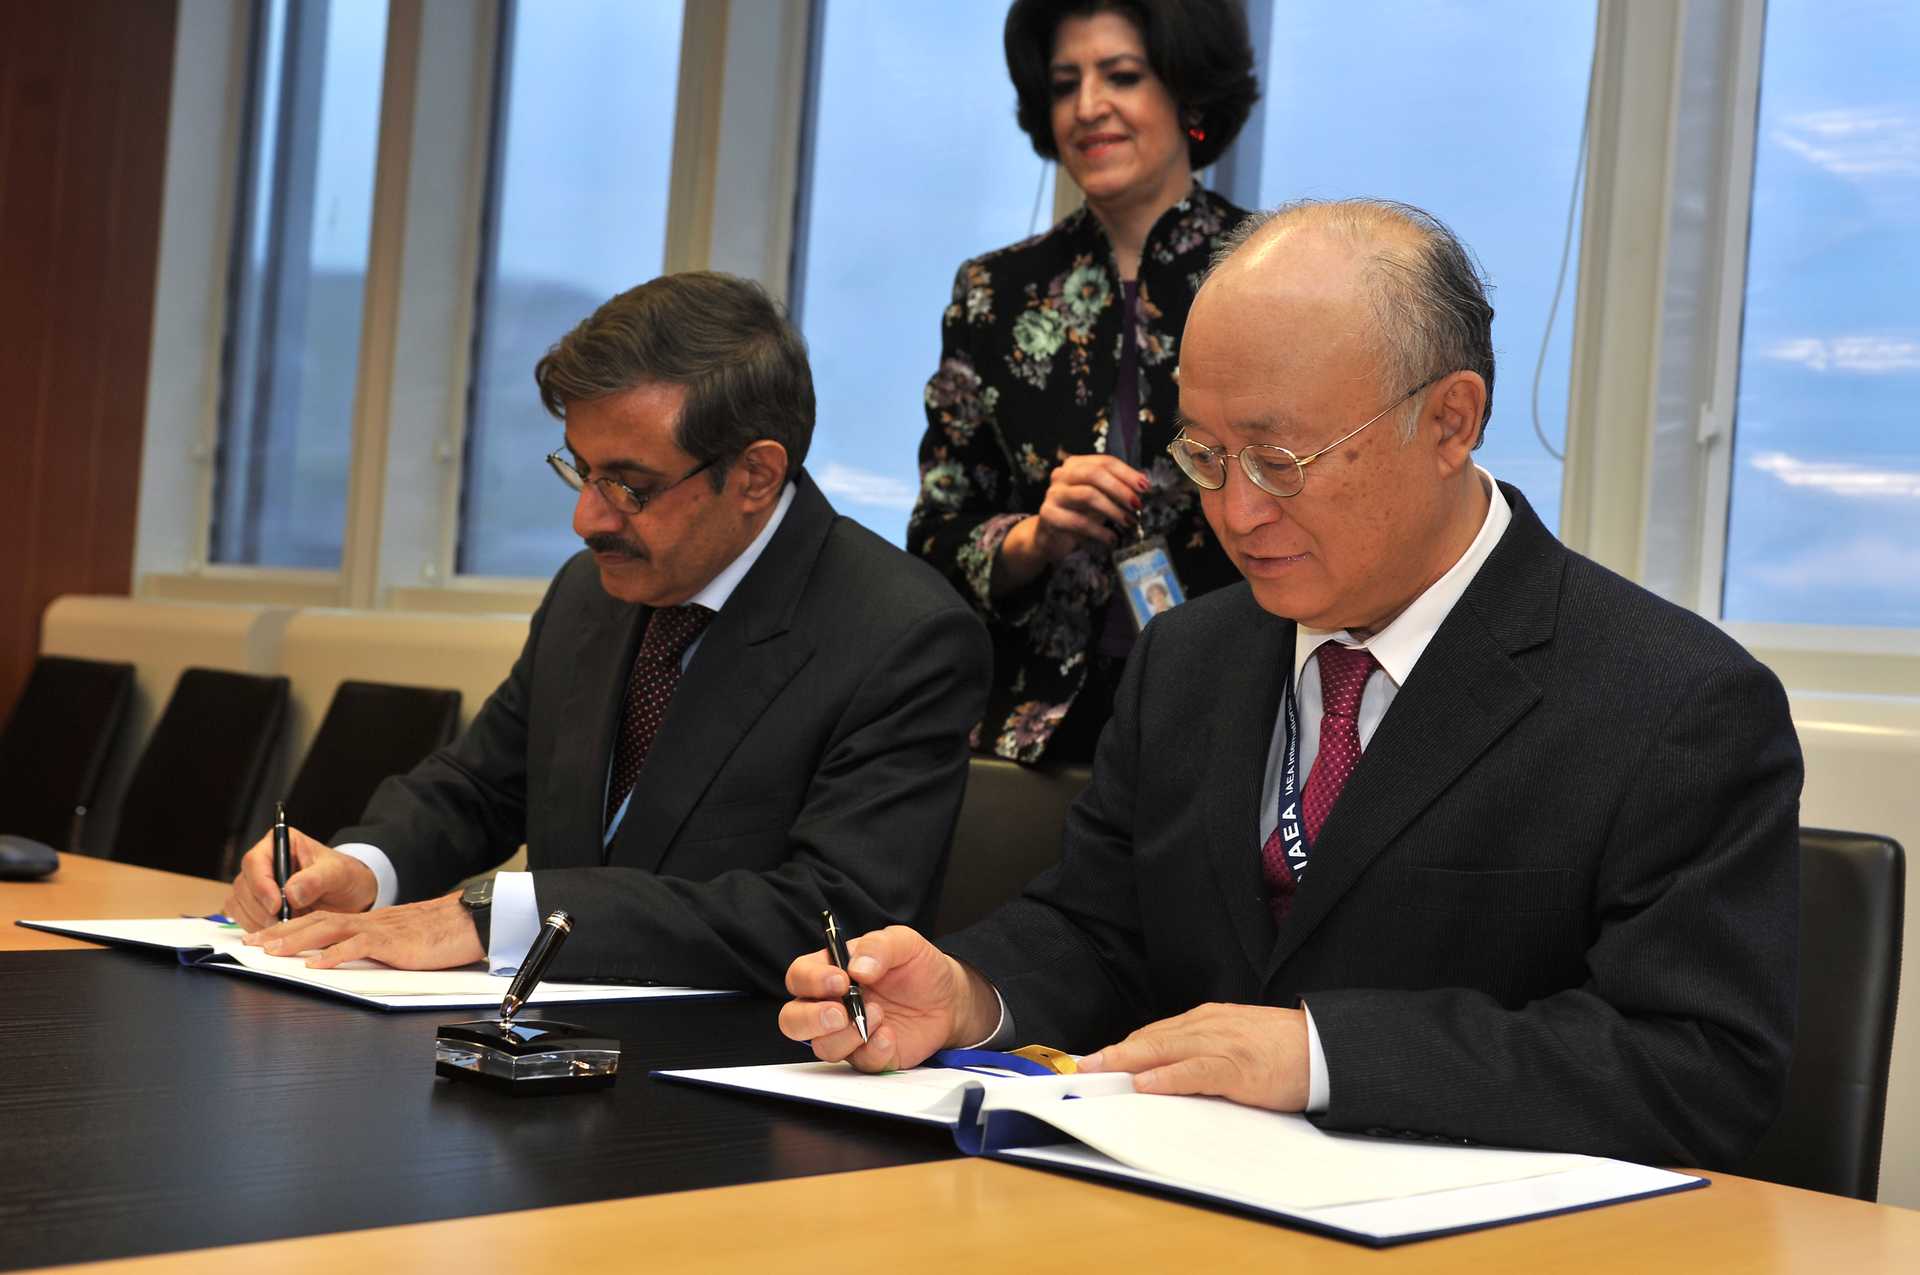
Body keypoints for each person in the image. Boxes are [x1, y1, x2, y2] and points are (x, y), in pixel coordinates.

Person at [782, 200, 1802, 1168]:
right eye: (1205, 455)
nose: (1234, 512)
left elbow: (1697, 1069)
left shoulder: (1671, 703)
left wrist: (1317, 1057)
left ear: (1451, 423)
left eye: (1277, 459)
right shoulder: (1190, 660)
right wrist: (969, 993)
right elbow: (1103, 929)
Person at [223, 272, 991, 996]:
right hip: (535, 1049)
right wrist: (363, 868)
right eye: (580, 471)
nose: (586, 519)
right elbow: (483, 783)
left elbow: (828, 914)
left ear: (755, 476)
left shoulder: (903, 636)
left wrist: (494, 917)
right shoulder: (590, 592)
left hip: (730, 1087)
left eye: (630, 486)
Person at [909, 0, 1258, 764]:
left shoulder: (1274, 275)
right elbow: (934, 533)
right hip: (1034, 728)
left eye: (1122, 76)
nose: (1089, 107)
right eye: (1065, 84)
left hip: (1239, 721)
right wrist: (1034, 537)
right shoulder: (992, 292)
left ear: (1188, 95)